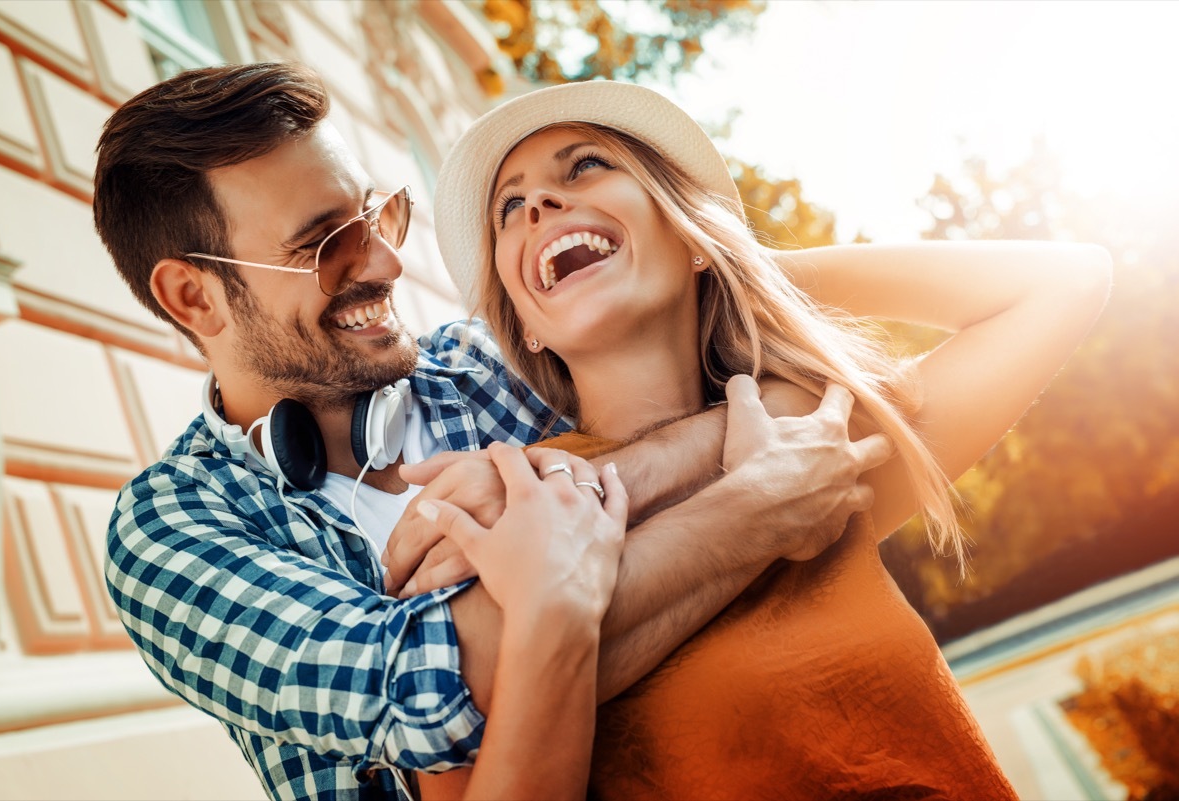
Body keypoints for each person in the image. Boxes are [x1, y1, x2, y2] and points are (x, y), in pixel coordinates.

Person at [94, 63, 893, 800]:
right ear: (195, 299)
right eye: (325, 244)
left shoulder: (482, 363)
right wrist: (753, 513)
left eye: (378, 216)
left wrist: (583, 481)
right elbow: (436, 691)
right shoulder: (170, 528)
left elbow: (778, 375)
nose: (385, 264)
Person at [403, 79, 1112, 798]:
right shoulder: (494, 505)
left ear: (687, 231)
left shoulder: (823, 445)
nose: (540, 205)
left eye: (584, 166)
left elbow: (1065, 281)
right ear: (522, 322)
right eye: (509, 209)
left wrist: (728, 262)